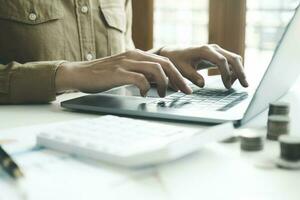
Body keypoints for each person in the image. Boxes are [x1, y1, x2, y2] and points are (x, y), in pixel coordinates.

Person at [0, 0, 248, 104]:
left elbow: (116, 63)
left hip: (114, 136)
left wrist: (161, 58)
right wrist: (67, 74)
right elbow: (92, 72)